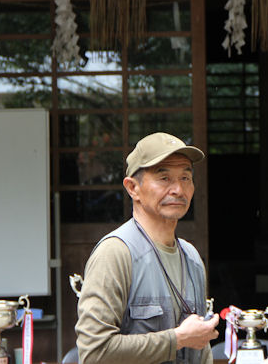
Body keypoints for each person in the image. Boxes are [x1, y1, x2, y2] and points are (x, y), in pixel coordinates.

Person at [75, 132, 219, 364]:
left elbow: (201, 349)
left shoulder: (191, 257)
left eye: (185, 178)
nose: (178, 190)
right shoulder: (116, 253)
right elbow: (94, 352)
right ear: (133, 188)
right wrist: (178, 339)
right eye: (164, 179)